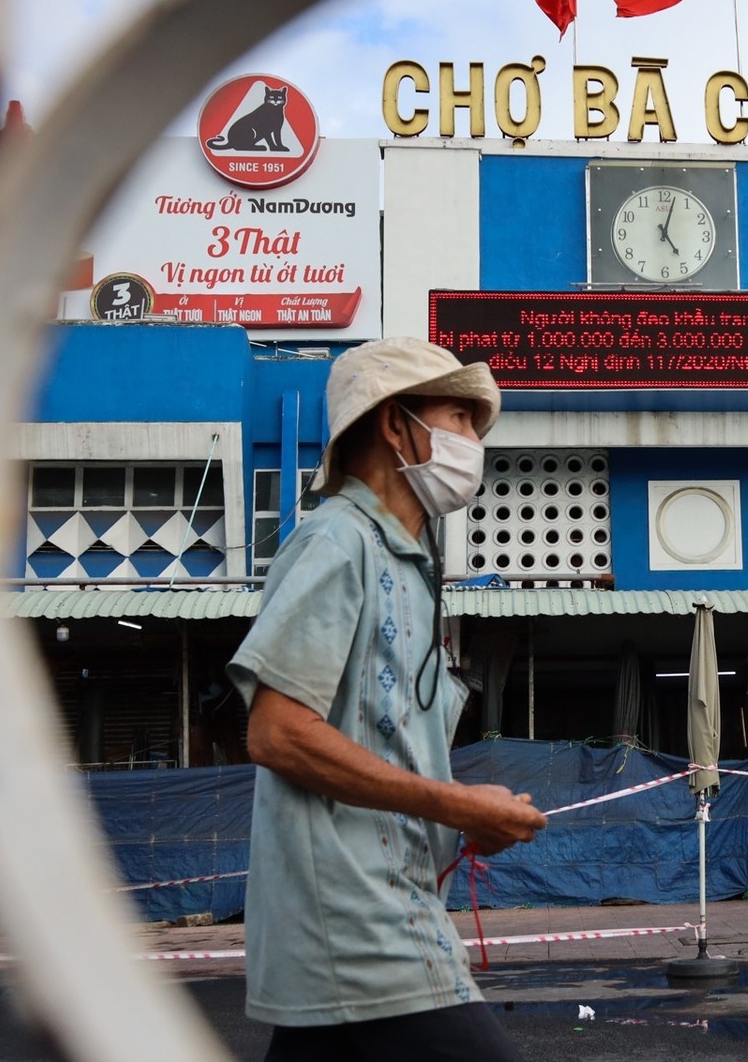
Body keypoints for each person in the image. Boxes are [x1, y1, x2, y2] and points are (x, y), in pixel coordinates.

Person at [227, 337, 548, 1062]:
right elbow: (276, 734)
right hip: (361, 917)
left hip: (385, 901)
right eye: (458, 417)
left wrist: (463, 812)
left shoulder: (410, 562)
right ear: (394, 423)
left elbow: (378, 741)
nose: (474, 440)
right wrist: (458, 806)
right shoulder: (337, 542)